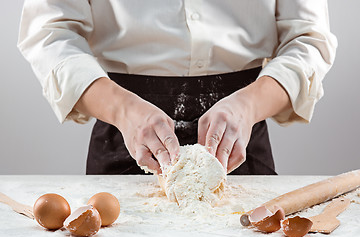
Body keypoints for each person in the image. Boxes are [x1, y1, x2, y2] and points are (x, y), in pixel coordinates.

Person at [18, 0, 337, 175]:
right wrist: (123, 109)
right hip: (122, 128)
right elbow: (51, 36)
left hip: (240, 138)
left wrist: (248, 106)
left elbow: (308, 40)